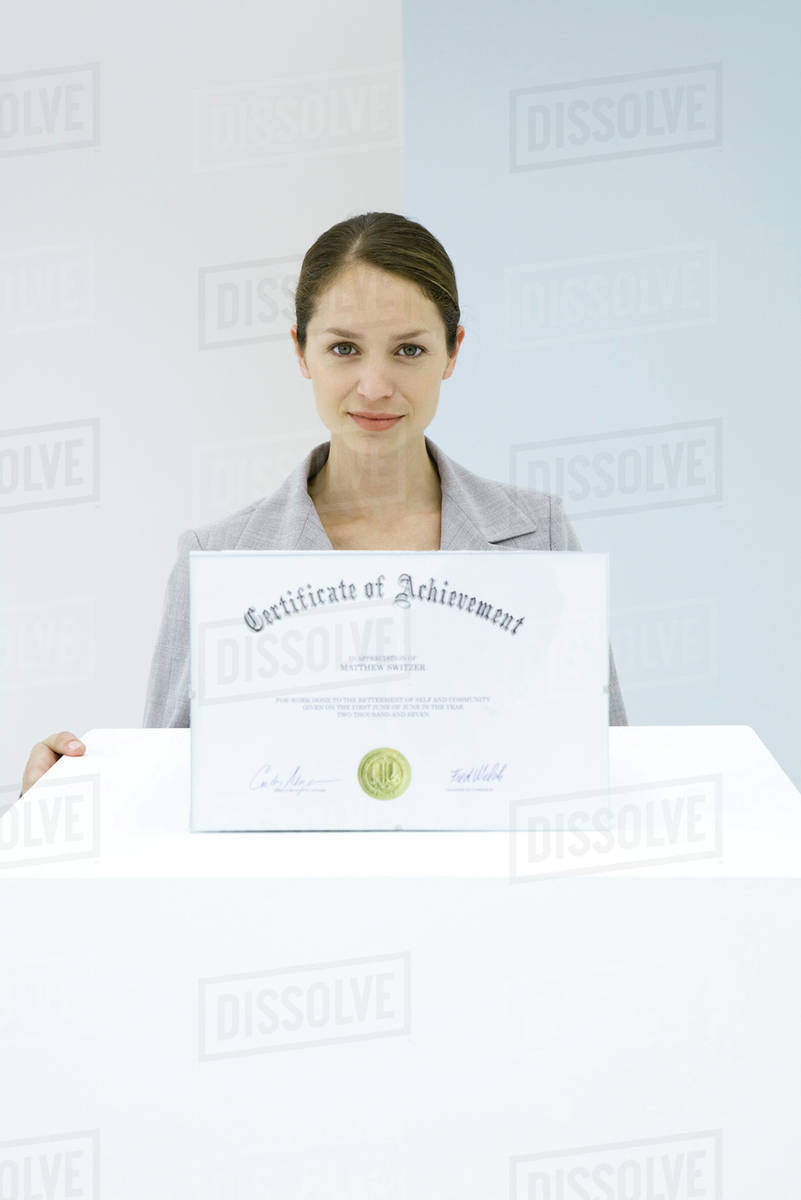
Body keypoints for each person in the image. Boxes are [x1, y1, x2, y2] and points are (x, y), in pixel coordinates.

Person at [19, 211, 626, 796]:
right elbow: (170, 787)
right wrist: (69, 794)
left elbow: (607, 762)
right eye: (344, 349)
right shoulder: (216, 559)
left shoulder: (536, 536)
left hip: (485, 897)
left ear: (454, 351)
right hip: (289, 902)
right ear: (300, 350)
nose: (375, 385)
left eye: (409, 350)